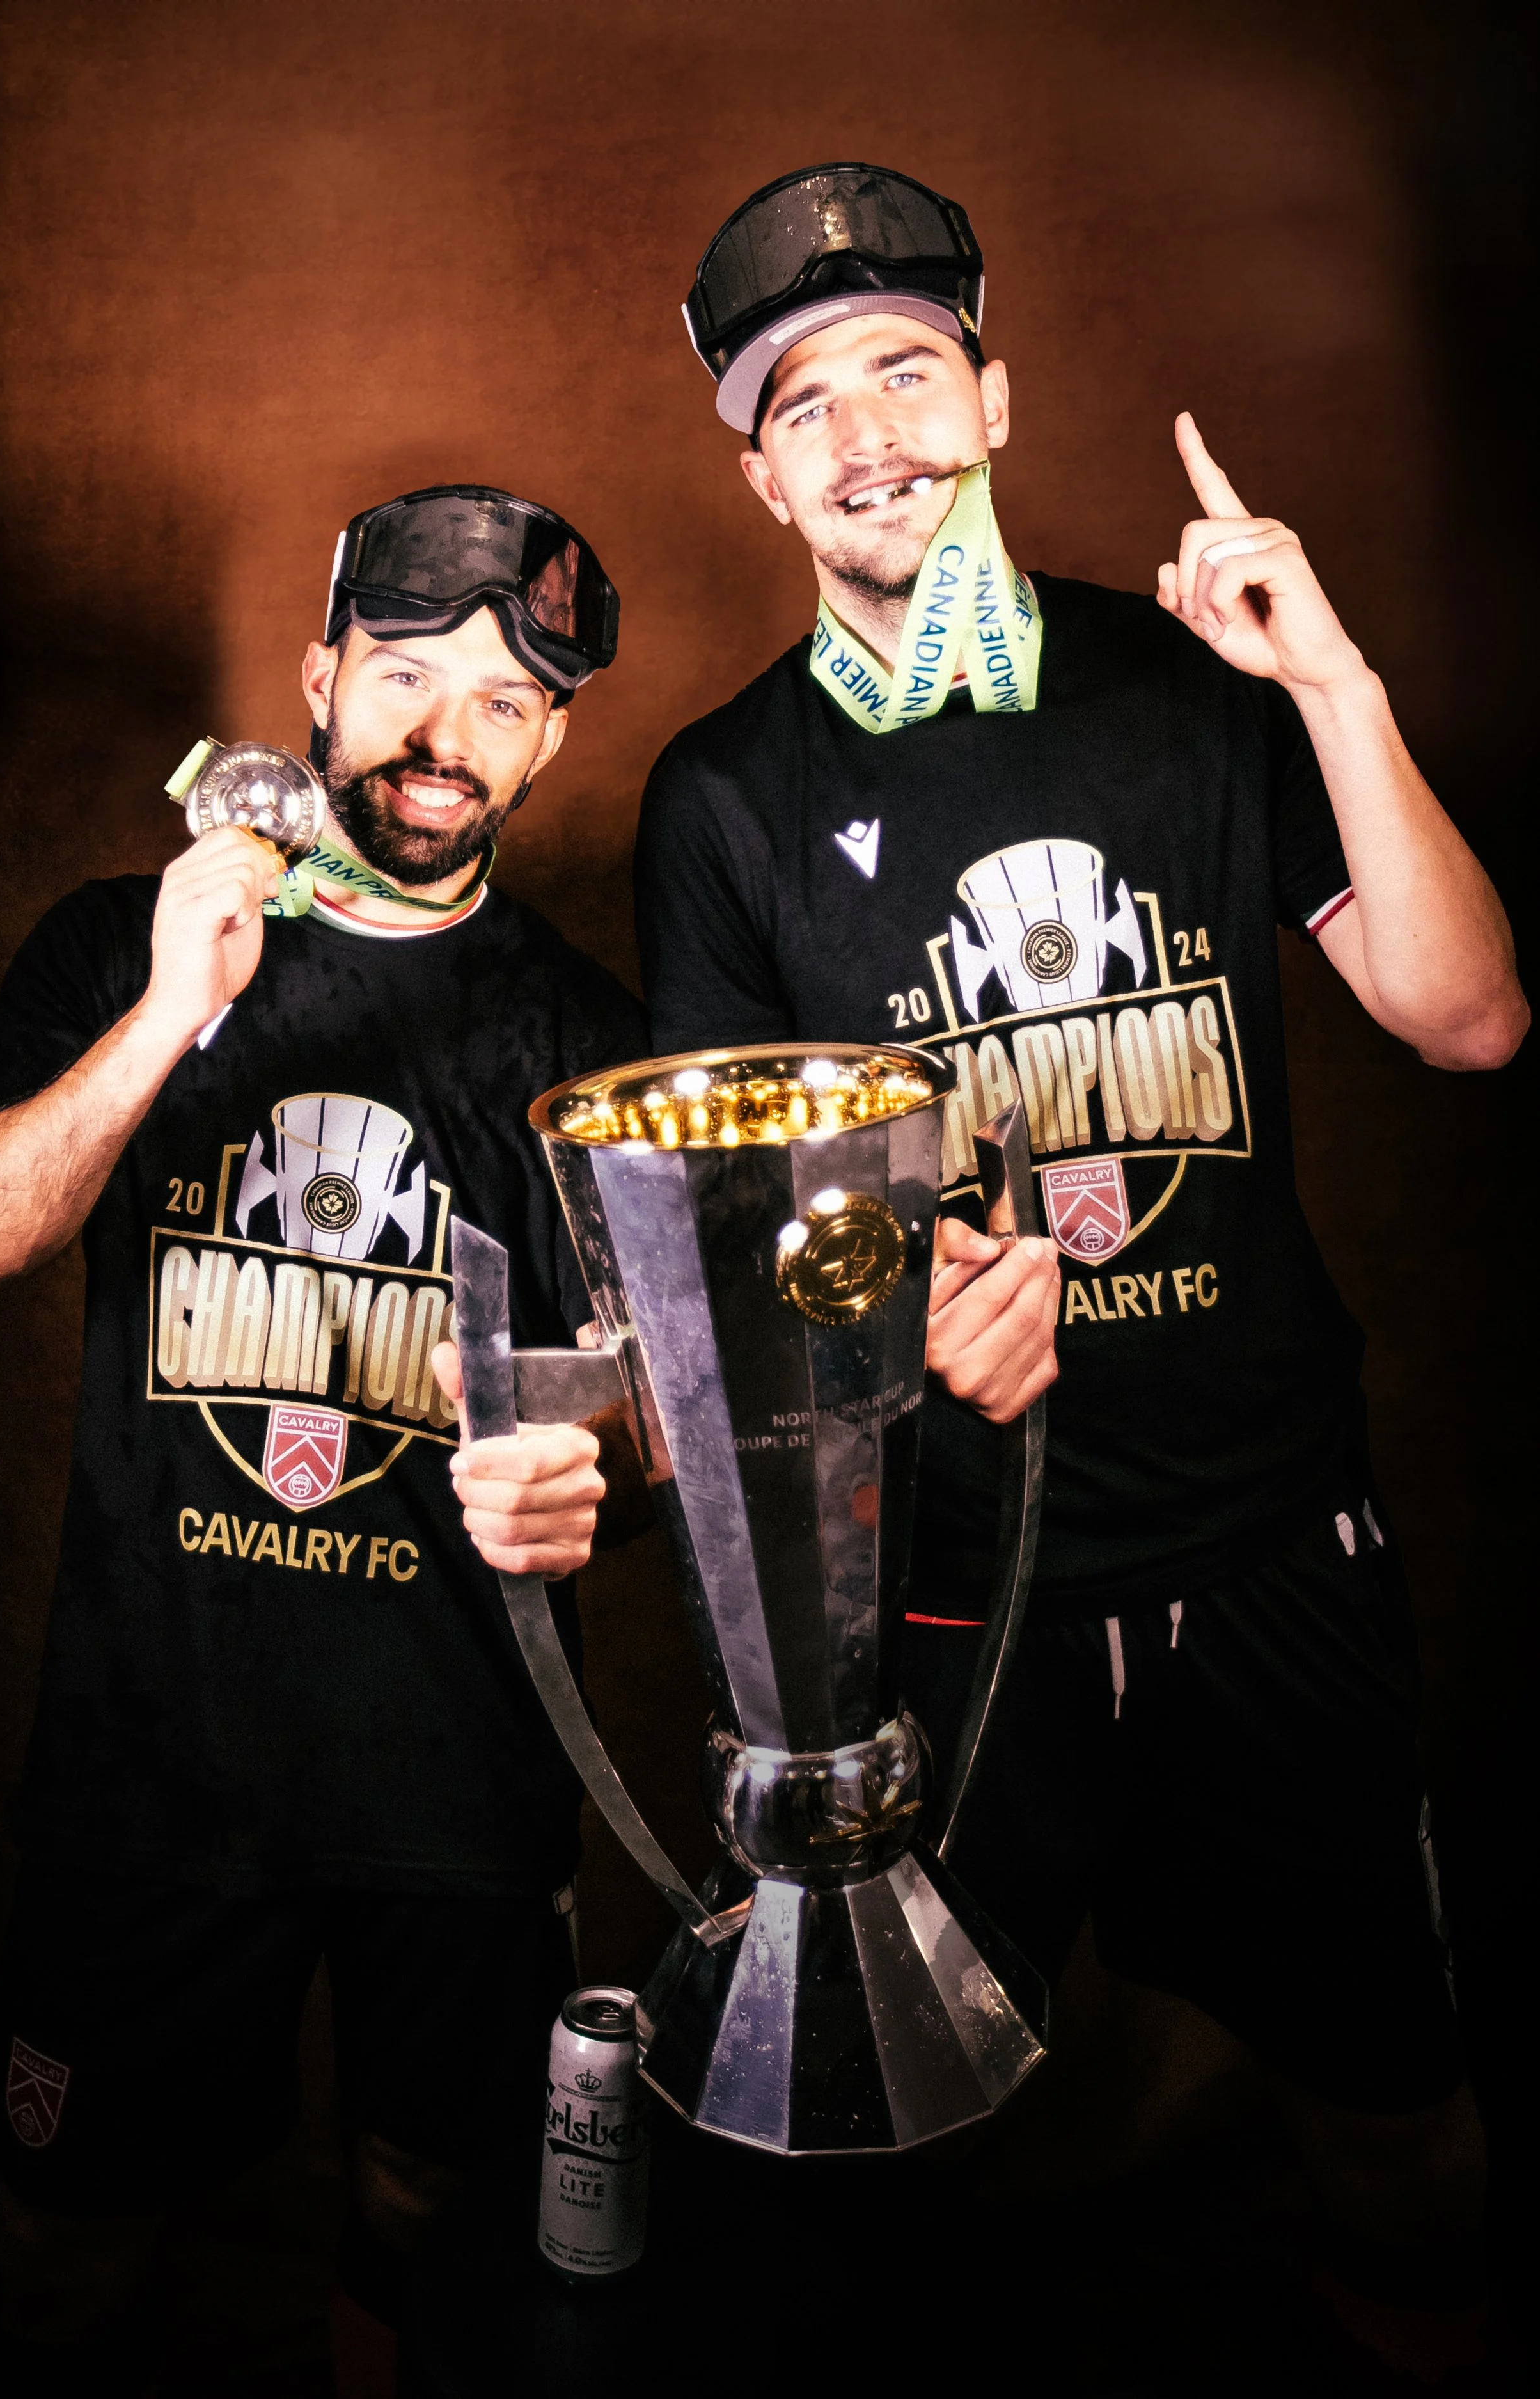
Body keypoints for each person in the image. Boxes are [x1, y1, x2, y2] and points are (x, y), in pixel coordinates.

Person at [637, 164, 1528, 2367]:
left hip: (1269, 1547)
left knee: (1405, 2145)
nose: (866, 431)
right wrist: (894, 1320)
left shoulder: (1190, 682)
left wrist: (1330, 679)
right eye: (801, 403)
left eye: (906, 368)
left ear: (998, 399)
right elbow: (739, 1269)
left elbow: (1465, 1015)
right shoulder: (722, 795)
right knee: (870, 2186)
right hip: (960, 1599)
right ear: (758, 479)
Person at [0, 484, 647, 2397]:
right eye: (406, 675)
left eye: (505, 702)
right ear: (318, 676)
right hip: (150, 1774)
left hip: (461, 1791)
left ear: (550, 741)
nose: (445, 736)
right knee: (60, 2252)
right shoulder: (123, 941)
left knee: (431, 2248)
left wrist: (591, 1454)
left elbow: (649, 1402)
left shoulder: (588, 1037)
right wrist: (170, 1013)